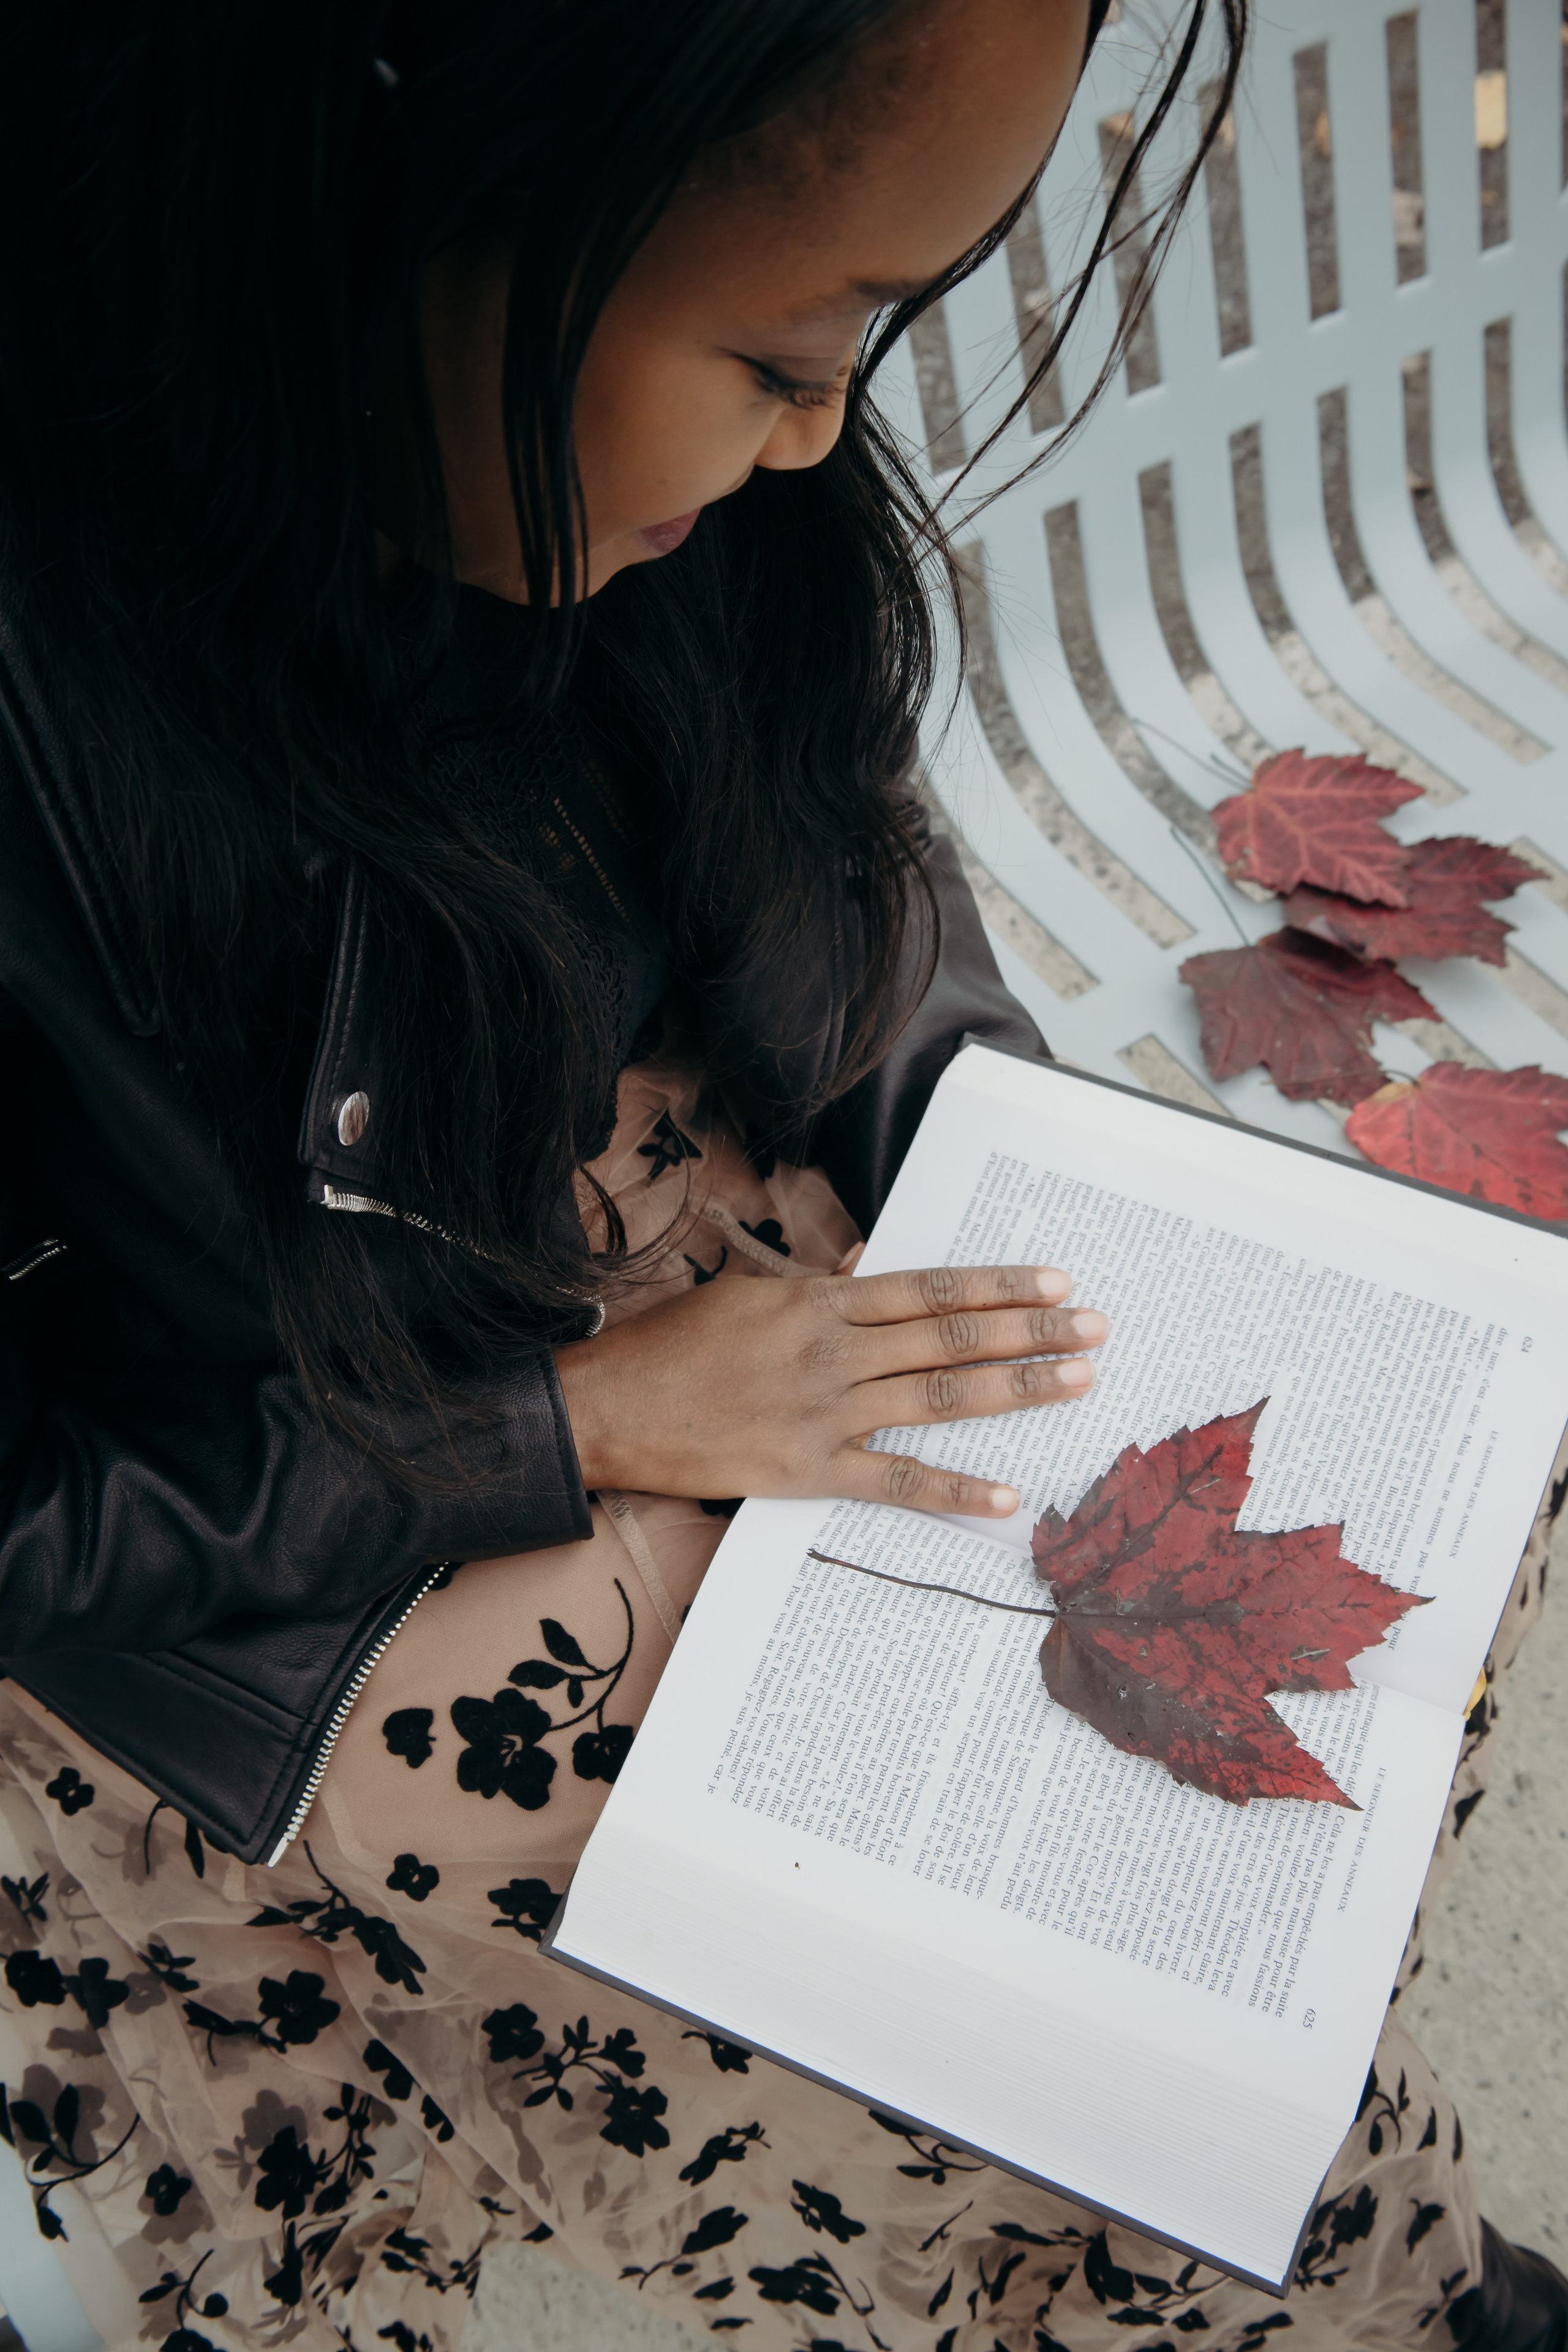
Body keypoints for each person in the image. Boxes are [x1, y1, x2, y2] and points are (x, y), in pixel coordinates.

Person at [0, 2, 1561, 2348]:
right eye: (781, 351)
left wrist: (995, 1148)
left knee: (1344, 1606)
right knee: (972, 2005)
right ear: (405, 182)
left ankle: (1343, 2247)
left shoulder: (614, 476)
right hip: (290, 1505)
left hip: (663, 1241)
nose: (825, 431)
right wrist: (573, 1424)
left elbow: (821, 832)